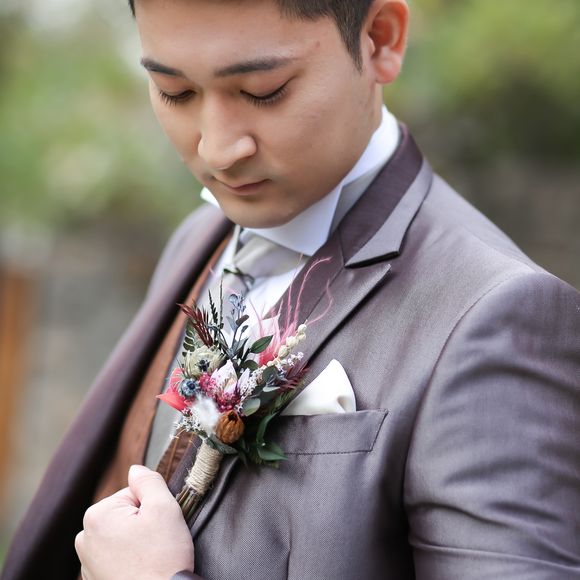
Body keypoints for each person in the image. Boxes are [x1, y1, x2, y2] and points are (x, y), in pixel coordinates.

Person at [2, 0, 580, 579]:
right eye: (175, 92)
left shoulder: (499, 315)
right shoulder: (197, 238)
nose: (217, 149)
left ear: (380, 40)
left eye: (263, 90)